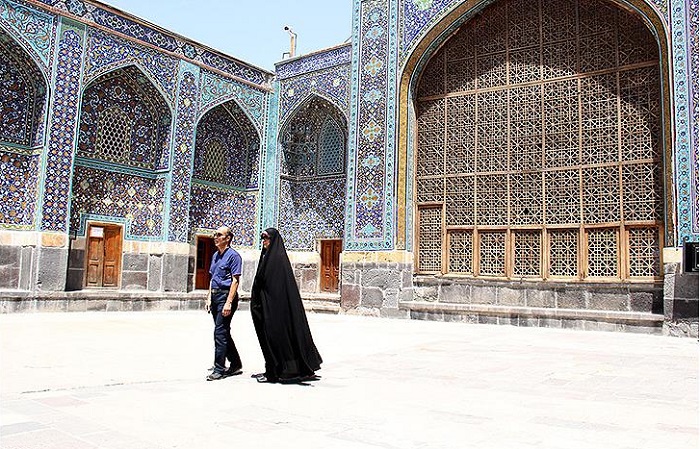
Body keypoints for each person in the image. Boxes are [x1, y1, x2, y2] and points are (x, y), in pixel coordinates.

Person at [250, 228, 322, 383]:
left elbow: (277, 288)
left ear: (274, 240)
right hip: (266, 308)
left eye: (267, 238)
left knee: (276, 339)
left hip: (276, 310)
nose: (264, 242)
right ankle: (273, 370)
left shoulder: (278, 259)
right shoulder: (267, 257)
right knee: (269, 339)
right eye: (263, 238)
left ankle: (279, 371)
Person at [205, 226, 243, 381]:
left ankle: (219, 369)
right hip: (215, 296)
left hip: (225, 297)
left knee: (219, 332)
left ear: (228, 238)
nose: (216, 237)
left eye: (219, 235)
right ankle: (235, 364)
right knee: (223, 331)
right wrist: (208, 297)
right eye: (215, 234)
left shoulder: (234, 256)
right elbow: (212, 277)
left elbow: (235, 281)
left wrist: (228, 303)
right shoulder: (215, 255)